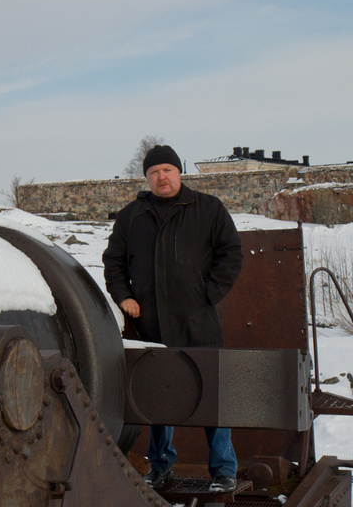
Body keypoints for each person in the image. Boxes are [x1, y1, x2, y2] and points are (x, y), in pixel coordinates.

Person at [102, 144, 244, 494]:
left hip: (199, 324)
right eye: (153, 172)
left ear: (179, 172)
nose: (161, 177)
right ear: (147, 177)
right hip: (152, 326)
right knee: (158, 400)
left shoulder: (208, 208)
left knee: (212, 397)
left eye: (167, 169)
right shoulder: (131, 216)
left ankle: (224, 471)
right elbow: (114, 263)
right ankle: (161, 467)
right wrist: (124, 296)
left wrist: (206, 294)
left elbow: (232, 254)